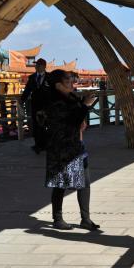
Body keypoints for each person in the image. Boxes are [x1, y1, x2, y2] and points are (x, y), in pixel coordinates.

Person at [44, 69, 100, 231]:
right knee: (60, 182)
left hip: (77, 146)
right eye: (67, 82)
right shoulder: (54, 101)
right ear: (58, 85)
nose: (71, 84)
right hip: (61, 147)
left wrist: (83, 107)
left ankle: (86, 218)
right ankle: (58, 218)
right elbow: (69, 119)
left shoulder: (72, 98)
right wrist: (84, 106)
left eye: (71, 81)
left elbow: (78, 118)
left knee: (85, 182)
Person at [20, 58, 51, 152]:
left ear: (44, 66)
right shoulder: (32, 77)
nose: (36, 66)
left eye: (39, 65)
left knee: (46, 124)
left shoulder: (50, 77)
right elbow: (27, 90)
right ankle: (37, 144)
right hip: (35, 105)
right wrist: (22, 100)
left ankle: (46, 144)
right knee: (36, 125)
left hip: (46, 105)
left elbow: (53, 91)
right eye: (36, 65)